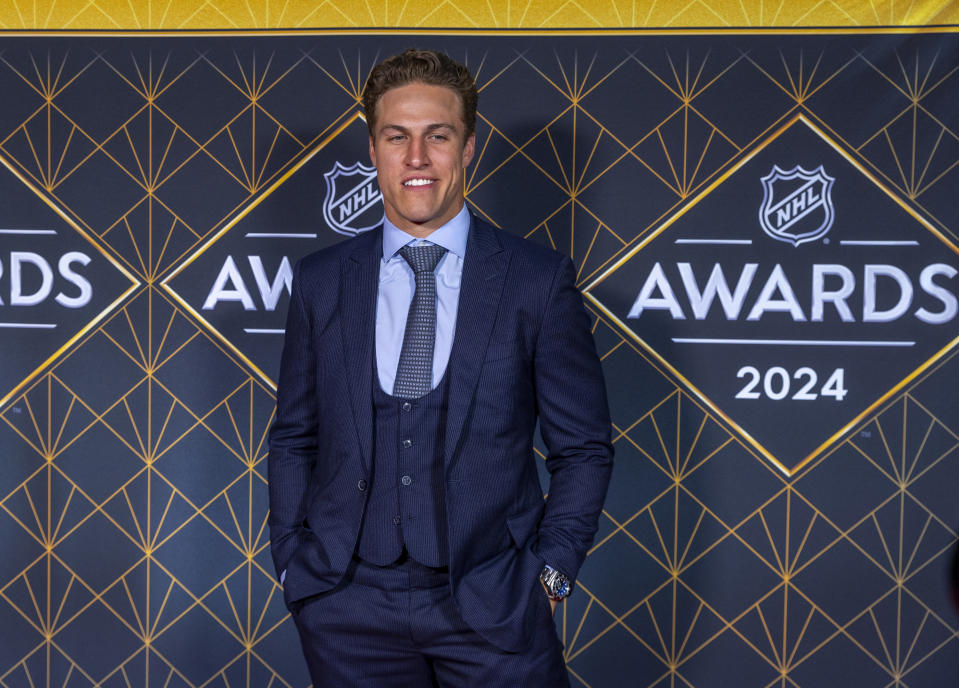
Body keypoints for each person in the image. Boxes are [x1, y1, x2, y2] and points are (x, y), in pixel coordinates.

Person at [267, 48, 613, 687]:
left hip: (493, 602)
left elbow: (584, 449)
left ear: (469, 147)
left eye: (438, 136)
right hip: (346, 605)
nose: (417, 158)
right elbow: (295, 435)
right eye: (398, 137)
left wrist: (552, 573)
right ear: (373, 150)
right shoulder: (321, 282)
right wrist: (293, 563)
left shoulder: (536, 281)